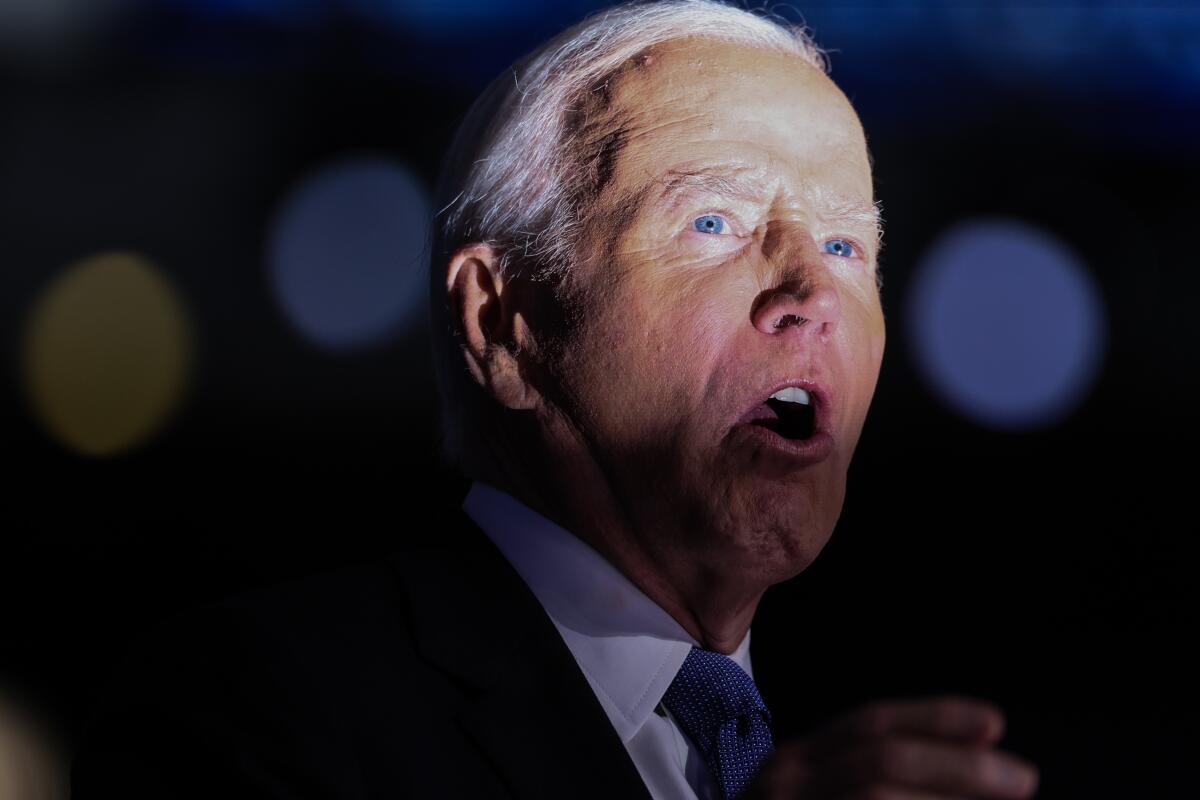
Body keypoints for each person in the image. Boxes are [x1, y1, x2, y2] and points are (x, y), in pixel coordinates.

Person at [72, 2, 1040, 798]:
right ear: (503, 324)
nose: (812, 295)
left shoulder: (897, 733)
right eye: (716, 219)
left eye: (845, 246)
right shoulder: (254, 705)